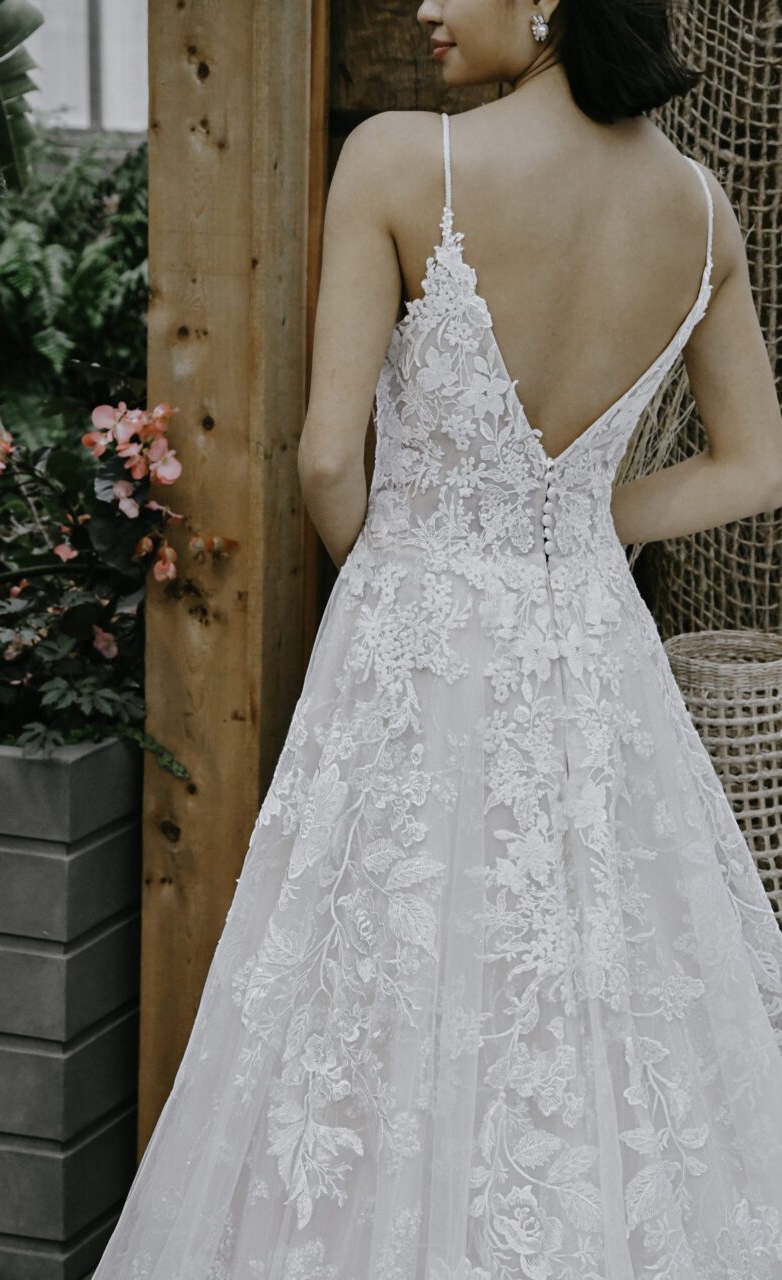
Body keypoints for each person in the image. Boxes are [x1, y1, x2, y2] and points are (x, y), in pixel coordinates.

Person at [92, 3, 782, 1277]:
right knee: (588, 991)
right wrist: (573, 527)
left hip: (414, 642)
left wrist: (421, 567)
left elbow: (325, 459)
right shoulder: (698, 207)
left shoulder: (405, 158)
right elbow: (755, 464)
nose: (419, 6)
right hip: (591, 649)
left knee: (379, 986)